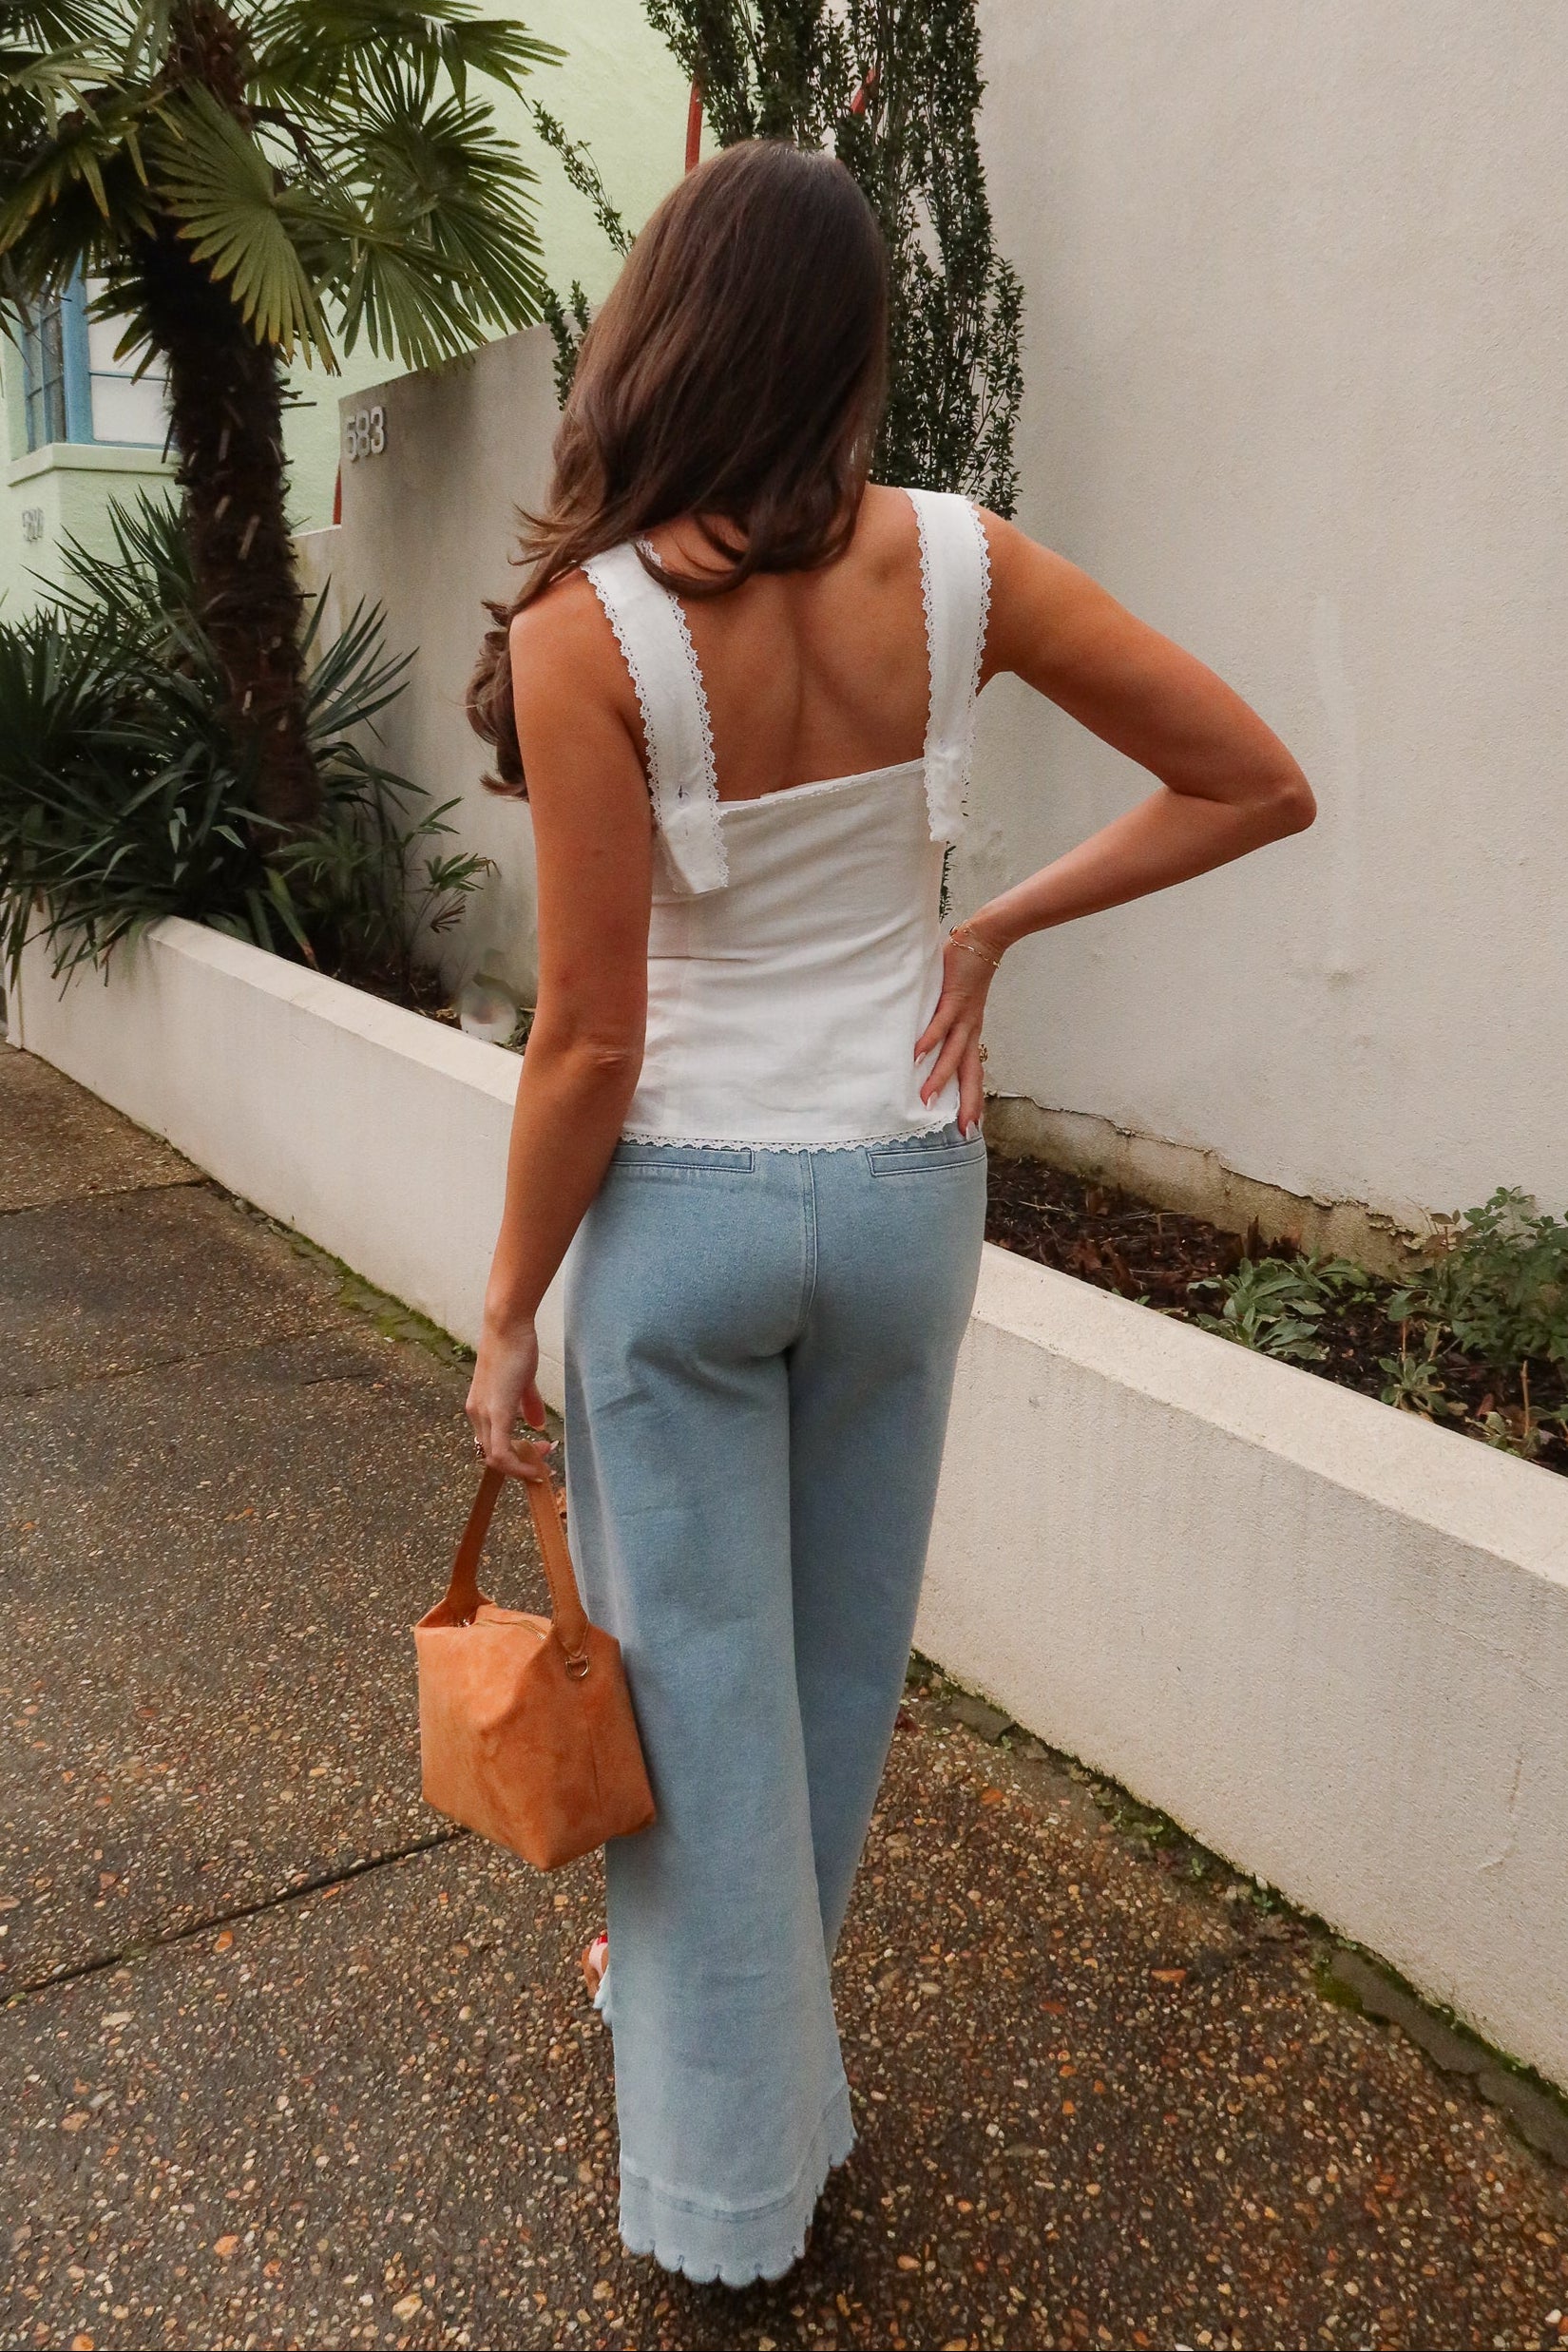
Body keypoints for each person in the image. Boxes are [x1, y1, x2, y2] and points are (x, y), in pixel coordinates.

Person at [463, 139, 1314, 2287]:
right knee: (834, 1670)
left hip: (684, 1214)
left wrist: (503, 1306)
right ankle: (733, 2038)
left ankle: (723, 2193)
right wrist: (989, 925)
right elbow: (1252, 777)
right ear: (846, 349)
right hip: (907, 1188)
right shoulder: (960, 564)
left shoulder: (584, 630)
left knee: (695, 1688)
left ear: (660, 331)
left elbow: (588, 1036)